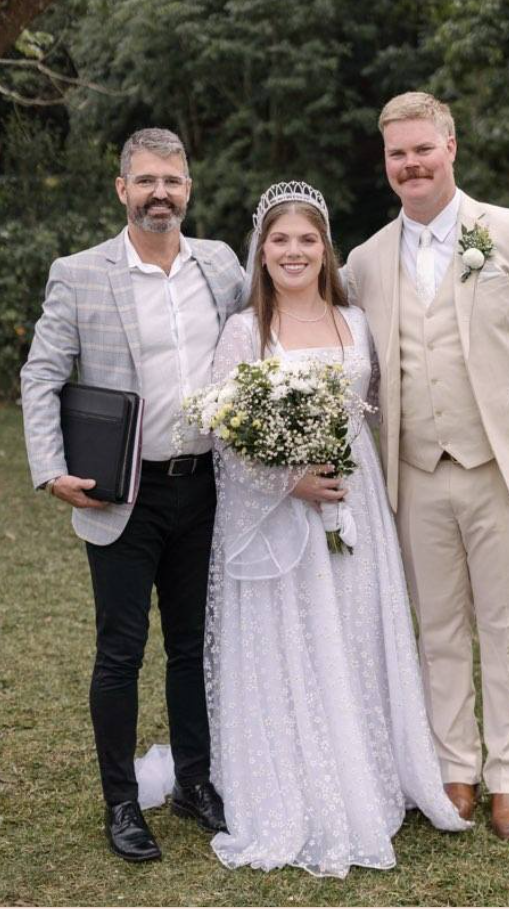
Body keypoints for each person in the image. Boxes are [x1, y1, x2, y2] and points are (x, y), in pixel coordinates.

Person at [178, 180, 469, 878]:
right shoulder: (245, 330)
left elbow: (369, 415)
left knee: (357, 628)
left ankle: (369, 769)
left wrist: (342, 478)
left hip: (355, 498)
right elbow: (223, 432)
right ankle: (299, 777)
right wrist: (289, 479)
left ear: (325, 248)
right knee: (301, 635)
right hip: (281, 509)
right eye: (280, 239)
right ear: (261, 250)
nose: (293, 251)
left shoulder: (356, 321)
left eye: (306, 239)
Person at [345, 92, 509, 838]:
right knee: (438, 628)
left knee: (508, 625)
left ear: (450, 148)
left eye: (422, 148)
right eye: (397, 153)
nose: (410, 163)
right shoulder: (364, 260)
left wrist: (506, 398)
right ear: (385, 162)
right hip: (414, 471)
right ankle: (453, 768)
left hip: (504, 468)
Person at [20, 128, 244, 862]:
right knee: (120, 651)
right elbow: (41, 376)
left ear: (188, 188)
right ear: (122, 189)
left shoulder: (219, 265)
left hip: (205, 487)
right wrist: (52, 469)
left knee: (192, 646)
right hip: (120, 492)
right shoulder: (79, 273)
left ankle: (195, 781)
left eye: (172, 181)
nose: (159, 194)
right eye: (145, 180)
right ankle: (121, 802)